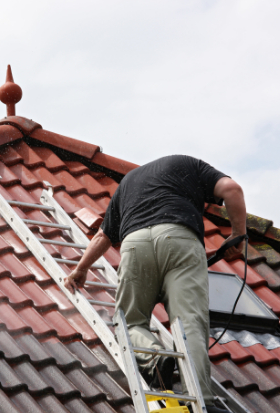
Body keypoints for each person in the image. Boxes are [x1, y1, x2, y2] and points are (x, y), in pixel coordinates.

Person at [64, 155, 246, 413]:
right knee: (189, 321)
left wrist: (80, 269)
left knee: (130, 321)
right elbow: (232, 189)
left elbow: (104, 234)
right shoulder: (189, 165)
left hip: (135, 244)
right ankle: (201, 399)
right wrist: (238, 235)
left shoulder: (127, 183)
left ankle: (154, 357)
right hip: (180, 239)